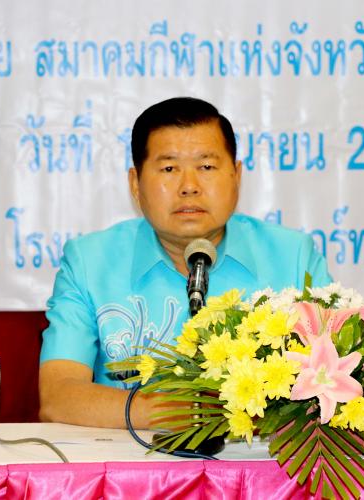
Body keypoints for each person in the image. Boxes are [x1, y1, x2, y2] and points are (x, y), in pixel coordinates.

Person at [39, 97, 331, 429]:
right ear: (135, 183)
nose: (189, 187)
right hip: (131, 460)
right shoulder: (90, 262)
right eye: (169, 169)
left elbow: (334, 379)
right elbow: (57, 396)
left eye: (206, 167)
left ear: (236, 176)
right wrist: (175, 412)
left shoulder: (293, 257)